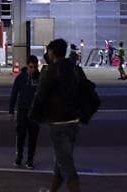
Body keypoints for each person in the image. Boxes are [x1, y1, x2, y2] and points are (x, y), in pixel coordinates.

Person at [29, 39, 83, 192]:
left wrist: (33, 115)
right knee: (61, 161)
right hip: (74, 121)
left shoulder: (50, 70)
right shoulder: (73, 68)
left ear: (52, 52)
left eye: (48, 51)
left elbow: (40, 95)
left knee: (65, 163)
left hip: (59, 122)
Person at [9, 55, 41, 169]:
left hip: (34, 112)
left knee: (33, 137)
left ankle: (30, 159)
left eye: (35, 67)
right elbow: (14, 93)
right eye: (31, 67)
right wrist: (11, 111)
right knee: (20, 135)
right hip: (22, 110)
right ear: (27, 66)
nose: (33, 69)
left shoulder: (40, 78)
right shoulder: (20, 78)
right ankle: (19, 157)